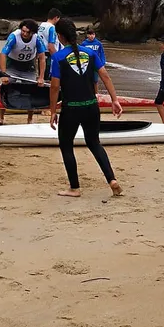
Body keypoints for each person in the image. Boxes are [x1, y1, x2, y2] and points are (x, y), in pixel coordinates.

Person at [48, 18, 124, 198]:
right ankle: (112, 180)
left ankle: (74, 188)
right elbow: (105, 76)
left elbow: (54, 87)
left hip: (71, 109)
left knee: (66, 146)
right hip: (91, 106)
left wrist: (52, 111)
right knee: (94, 143)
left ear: (59, 36)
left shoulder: (58, 57)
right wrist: (115, 100)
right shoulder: (89, 53)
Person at [0, 19, 47, 125]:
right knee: (5, 87)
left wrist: (41, 77)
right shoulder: (14, 36)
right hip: (12, 65)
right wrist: (3, 74)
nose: (24, 33)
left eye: (27, 32)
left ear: (32, 32)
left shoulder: (37, 38)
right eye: (23, 31)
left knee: (31, 89)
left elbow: (42, 58)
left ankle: (30, 119)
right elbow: (3, 54)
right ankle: (0, 117)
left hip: (28, 66)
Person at [37, 8, 62, 81]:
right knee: (49, 79)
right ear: (56, 18)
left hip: (41, 54)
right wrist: (57, 58)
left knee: (42, 76)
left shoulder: (41, 25)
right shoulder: (52, 28)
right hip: (49, 55)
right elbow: (51, 46)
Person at [80, 26, 106, 93]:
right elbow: (81, 54)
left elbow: (102, 53)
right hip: (87, 64)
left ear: (95, 35)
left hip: (96, 64)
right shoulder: (84, 44)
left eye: (93, 34)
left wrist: (103, 62)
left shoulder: (98, 43)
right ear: (87, 35)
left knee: (95, 80)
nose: (91, 36)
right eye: (90, 34)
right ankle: (87, 92)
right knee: (87, 79)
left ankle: (96, 93)